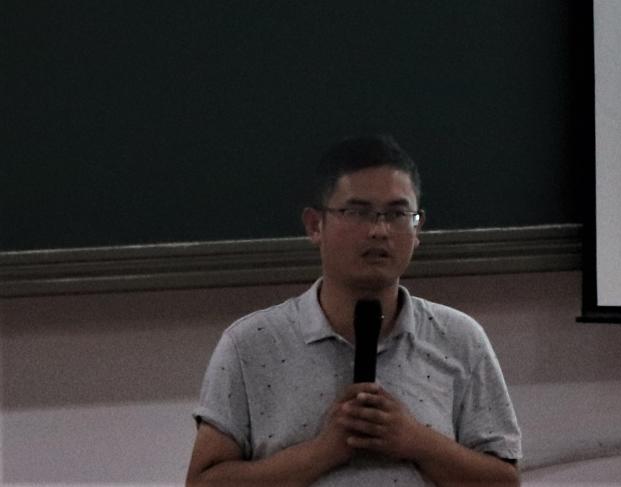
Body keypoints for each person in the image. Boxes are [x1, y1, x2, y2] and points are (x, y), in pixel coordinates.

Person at [186, 135, 522, 485]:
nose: (379, 230)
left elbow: (505, 482)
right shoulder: (249, 345)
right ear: (315, 225)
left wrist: (415, 441)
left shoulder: (460, 339)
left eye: (397, 214)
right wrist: (324, 451)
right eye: (358, 212)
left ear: (418, 227)